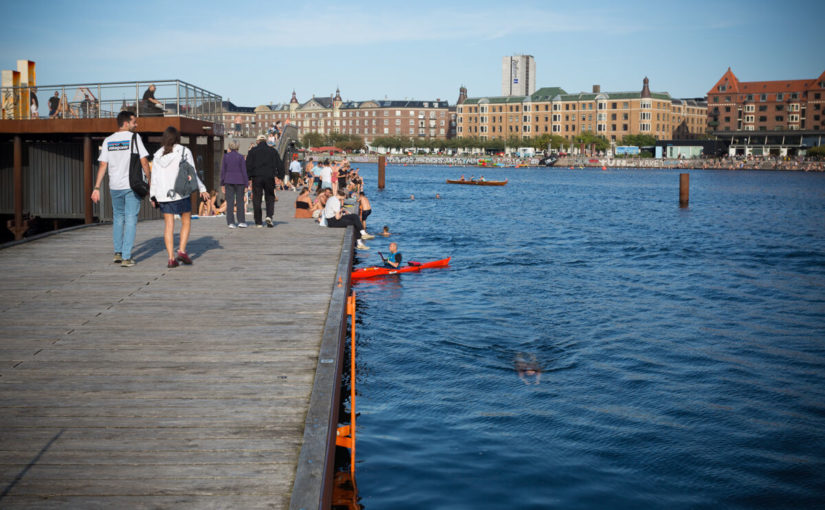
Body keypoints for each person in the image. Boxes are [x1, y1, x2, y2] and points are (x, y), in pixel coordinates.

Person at [91, 110, 151, 267]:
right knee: (131, 219)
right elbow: (144, 161)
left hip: (114, 186)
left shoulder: (108, 140)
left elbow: (103, 165)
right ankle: (126, 257)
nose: (136, 125)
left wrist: (96, 187)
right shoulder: (134, 138)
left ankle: (117, 253)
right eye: (134, 122)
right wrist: (151, 181)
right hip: (131, 186)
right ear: (126, 123)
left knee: (118, 218)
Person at [149, 126, 209, 268]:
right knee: (186, 221)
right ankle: (182, 250)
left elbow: (154, 177)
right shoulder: (183, 151)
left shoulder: (158, 154)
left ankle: (171, 259)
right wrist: (202, 188)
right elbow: (192, 171)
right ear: (177, 137)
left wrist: (153, 196)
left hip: (163, 194)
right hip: (180, 192)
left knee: (168, 225)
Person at [246, 134, 278, 227]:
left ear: (257, 141)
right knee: (270, 197)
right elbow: (279, 163)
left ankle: (258, 221)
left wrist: (248, 178)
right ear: (266, 141)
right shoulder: (272, 151)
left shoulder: (252, 151)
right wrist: (279, 175)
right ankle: (269, 216)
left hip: (257, 177)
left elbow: (248, 165)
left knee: (257, 199)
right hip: (269, 177)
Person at [220, 139, 248, 228]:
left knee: (230, 202)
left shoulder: (226, 157)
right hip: (240, 181)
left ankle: (231, 222)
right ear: (238, 147)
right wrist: (246, 184)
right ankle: (241, 221)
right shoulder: (240, 157)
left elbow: (223, 171)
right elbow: (244, 171)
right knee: (240, 202)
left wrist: (222, 183)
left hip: (228, 181)